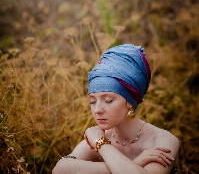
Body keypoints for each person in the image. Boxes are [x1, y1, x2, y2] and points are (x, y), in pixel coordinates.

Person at [52, 44, 179, 174]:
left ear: (129, 101)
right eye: (93, 101)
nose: (97, 110)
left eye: (108, 100)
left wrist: (102, 145)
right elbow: (59, 170)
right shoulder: (97, 137)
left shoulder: (163, 140)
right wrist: (134, 164)